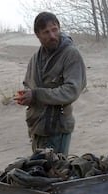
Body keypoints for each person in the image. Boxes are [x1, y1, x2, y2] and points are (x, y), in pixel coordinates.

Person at [18, 12, 87, 156]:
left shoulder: (70, 54)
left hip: (58, 127)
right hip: (37, 126)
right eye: (46, 32)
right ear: (38, 35)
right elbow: (27, 83)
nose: (52, 36)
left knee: (56, 173)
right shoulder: (35, 59)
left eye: (54, 29)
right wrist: (27, 95)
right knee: (39, 173)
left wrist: (36, 95)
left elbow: (71, 91)